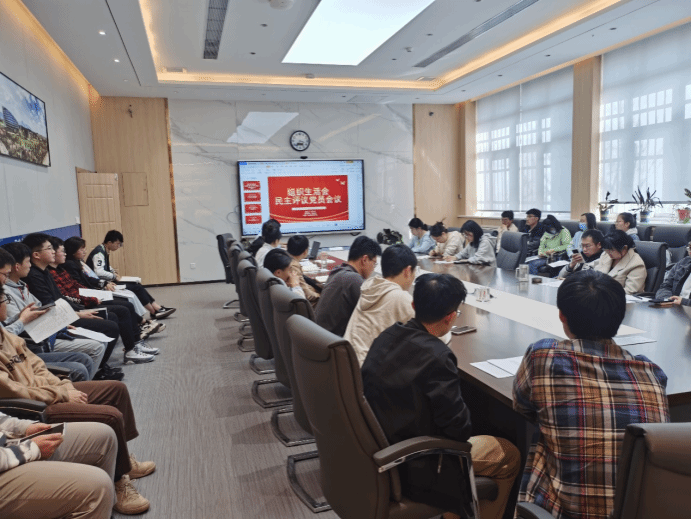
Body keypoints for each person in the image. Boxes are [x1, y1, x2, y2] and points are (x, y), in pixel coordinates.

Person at [362, 273, 521, 519]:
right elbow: (459, 431)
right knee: (508, 453)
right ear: (450, 317)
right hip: (417, 464)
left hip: (378, 448)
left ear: (413, 305)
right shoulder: (437, 356)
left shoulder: (387, 335)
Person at [513, 270, 669, 518]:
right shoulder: (652, 372)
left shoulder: (543, 356)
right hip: (636, 510)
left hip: (565, 512)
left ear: (562, 316)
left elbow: (521, 405)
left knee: (543, 437)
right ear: (620, 317)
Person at [0, 283, 156, 515]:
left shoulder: (5, 334)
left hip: (47, 392)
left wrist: (63, 386)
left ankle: (123, 459)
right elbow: (15, 392)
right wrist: (62, 394)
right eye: (4, 299)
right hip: (34, 406)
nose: (6, 303)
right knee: (109, 416)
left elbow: (38, 367)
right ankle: (120, 478)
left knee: (116, 390)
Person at [21, 233, 154, 365]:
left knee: (123, 308)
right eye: (49, 248)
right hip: (60, 318)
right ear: (36, 255)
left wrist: (81, 308)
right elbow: (51, 305)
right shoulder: (35, 276)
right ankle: (103, 365)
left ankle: (131, 347)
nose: (53, 252)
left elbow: (64, 296)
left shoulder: (46, 271)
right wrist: (79, 311)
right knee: (113, 322)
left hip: (71, 310)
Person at [2, 241, 118, 377]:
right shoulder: (9, 290)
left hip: (47, 331)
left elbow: (42, 306)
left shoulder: (24, 284)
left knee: (102, 337)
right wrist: (68, 318)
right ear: (16, 266)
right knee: (94, 349)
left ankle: (91, 380)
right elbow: (13, 327)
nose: (30, 265)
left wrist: (62, 322)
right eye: (50, 248)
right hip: (35, 341)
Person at [0, 412, 117, 518]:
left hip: (5, 445)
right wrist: (32, 449)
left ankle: (103, 512)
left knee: (104, 436)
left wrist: (24, 427)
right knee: (98, 487)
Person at [64, 236, 163, 338]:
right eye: (81, 249)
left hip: (93, 291)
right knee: (126, 303)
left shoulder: (77, 261)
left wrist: (104, 283)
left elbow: (88, 279)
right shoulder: (70, 265)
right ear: (72, 250)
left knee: (131, 293)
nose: (85, 251)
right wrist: (103, 285)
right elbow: (82, 286)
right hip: (89, 297)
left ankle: (143, 323)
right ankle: (141, 326)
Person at [345, 244, 417, 366]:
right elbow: (431, 330)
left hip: (348, 364)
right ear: (407, 271)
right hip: (366, 371)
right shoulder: (400, 297)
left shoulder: (370, 288)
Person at [86, 230, 176, 320]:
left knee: (136, 284)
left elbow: (106, 266)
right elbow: (99, 272)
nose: (118, 246)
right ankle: (154, 311)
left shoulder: (103, 250)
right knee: (136, 287)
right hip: (101, 285)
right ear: (109, 242)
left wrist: (114, 272)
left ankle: (156, 308)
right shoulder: (99, 253)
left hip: (106, 282)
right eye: (117, 244)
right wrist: (114, 276)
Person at [314, 236, 382, 337]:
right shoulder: (353, 279)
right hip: (333, 342)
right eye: (374, 263)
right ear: (365, 259)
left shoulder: (337, 271)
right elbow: (375, 315)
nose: (373, 269)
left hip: (319, 337)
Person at [597, 230, 647, 294]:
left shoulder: (636, 264)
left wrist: (603, 293)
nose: (608, 252)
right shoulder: (606, 254)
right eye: (606, 249)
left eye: (612, 250)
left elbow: (630, 291)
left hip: (617, 297)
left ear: (624, 248)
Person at [286, 235, 320, 307]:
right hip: (307, 305)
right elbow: (307, 294)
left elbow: (303, 286)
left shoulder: (288, 260)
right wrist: (320, 295)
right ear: (305, 251)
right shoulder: (293, 266)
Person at [655, 242, 691, 306]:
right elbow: (665, 287)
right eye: (690, 248)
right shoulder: (682, 263)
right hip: (674, 307)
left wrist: (684, 302)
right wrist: (666, 299)